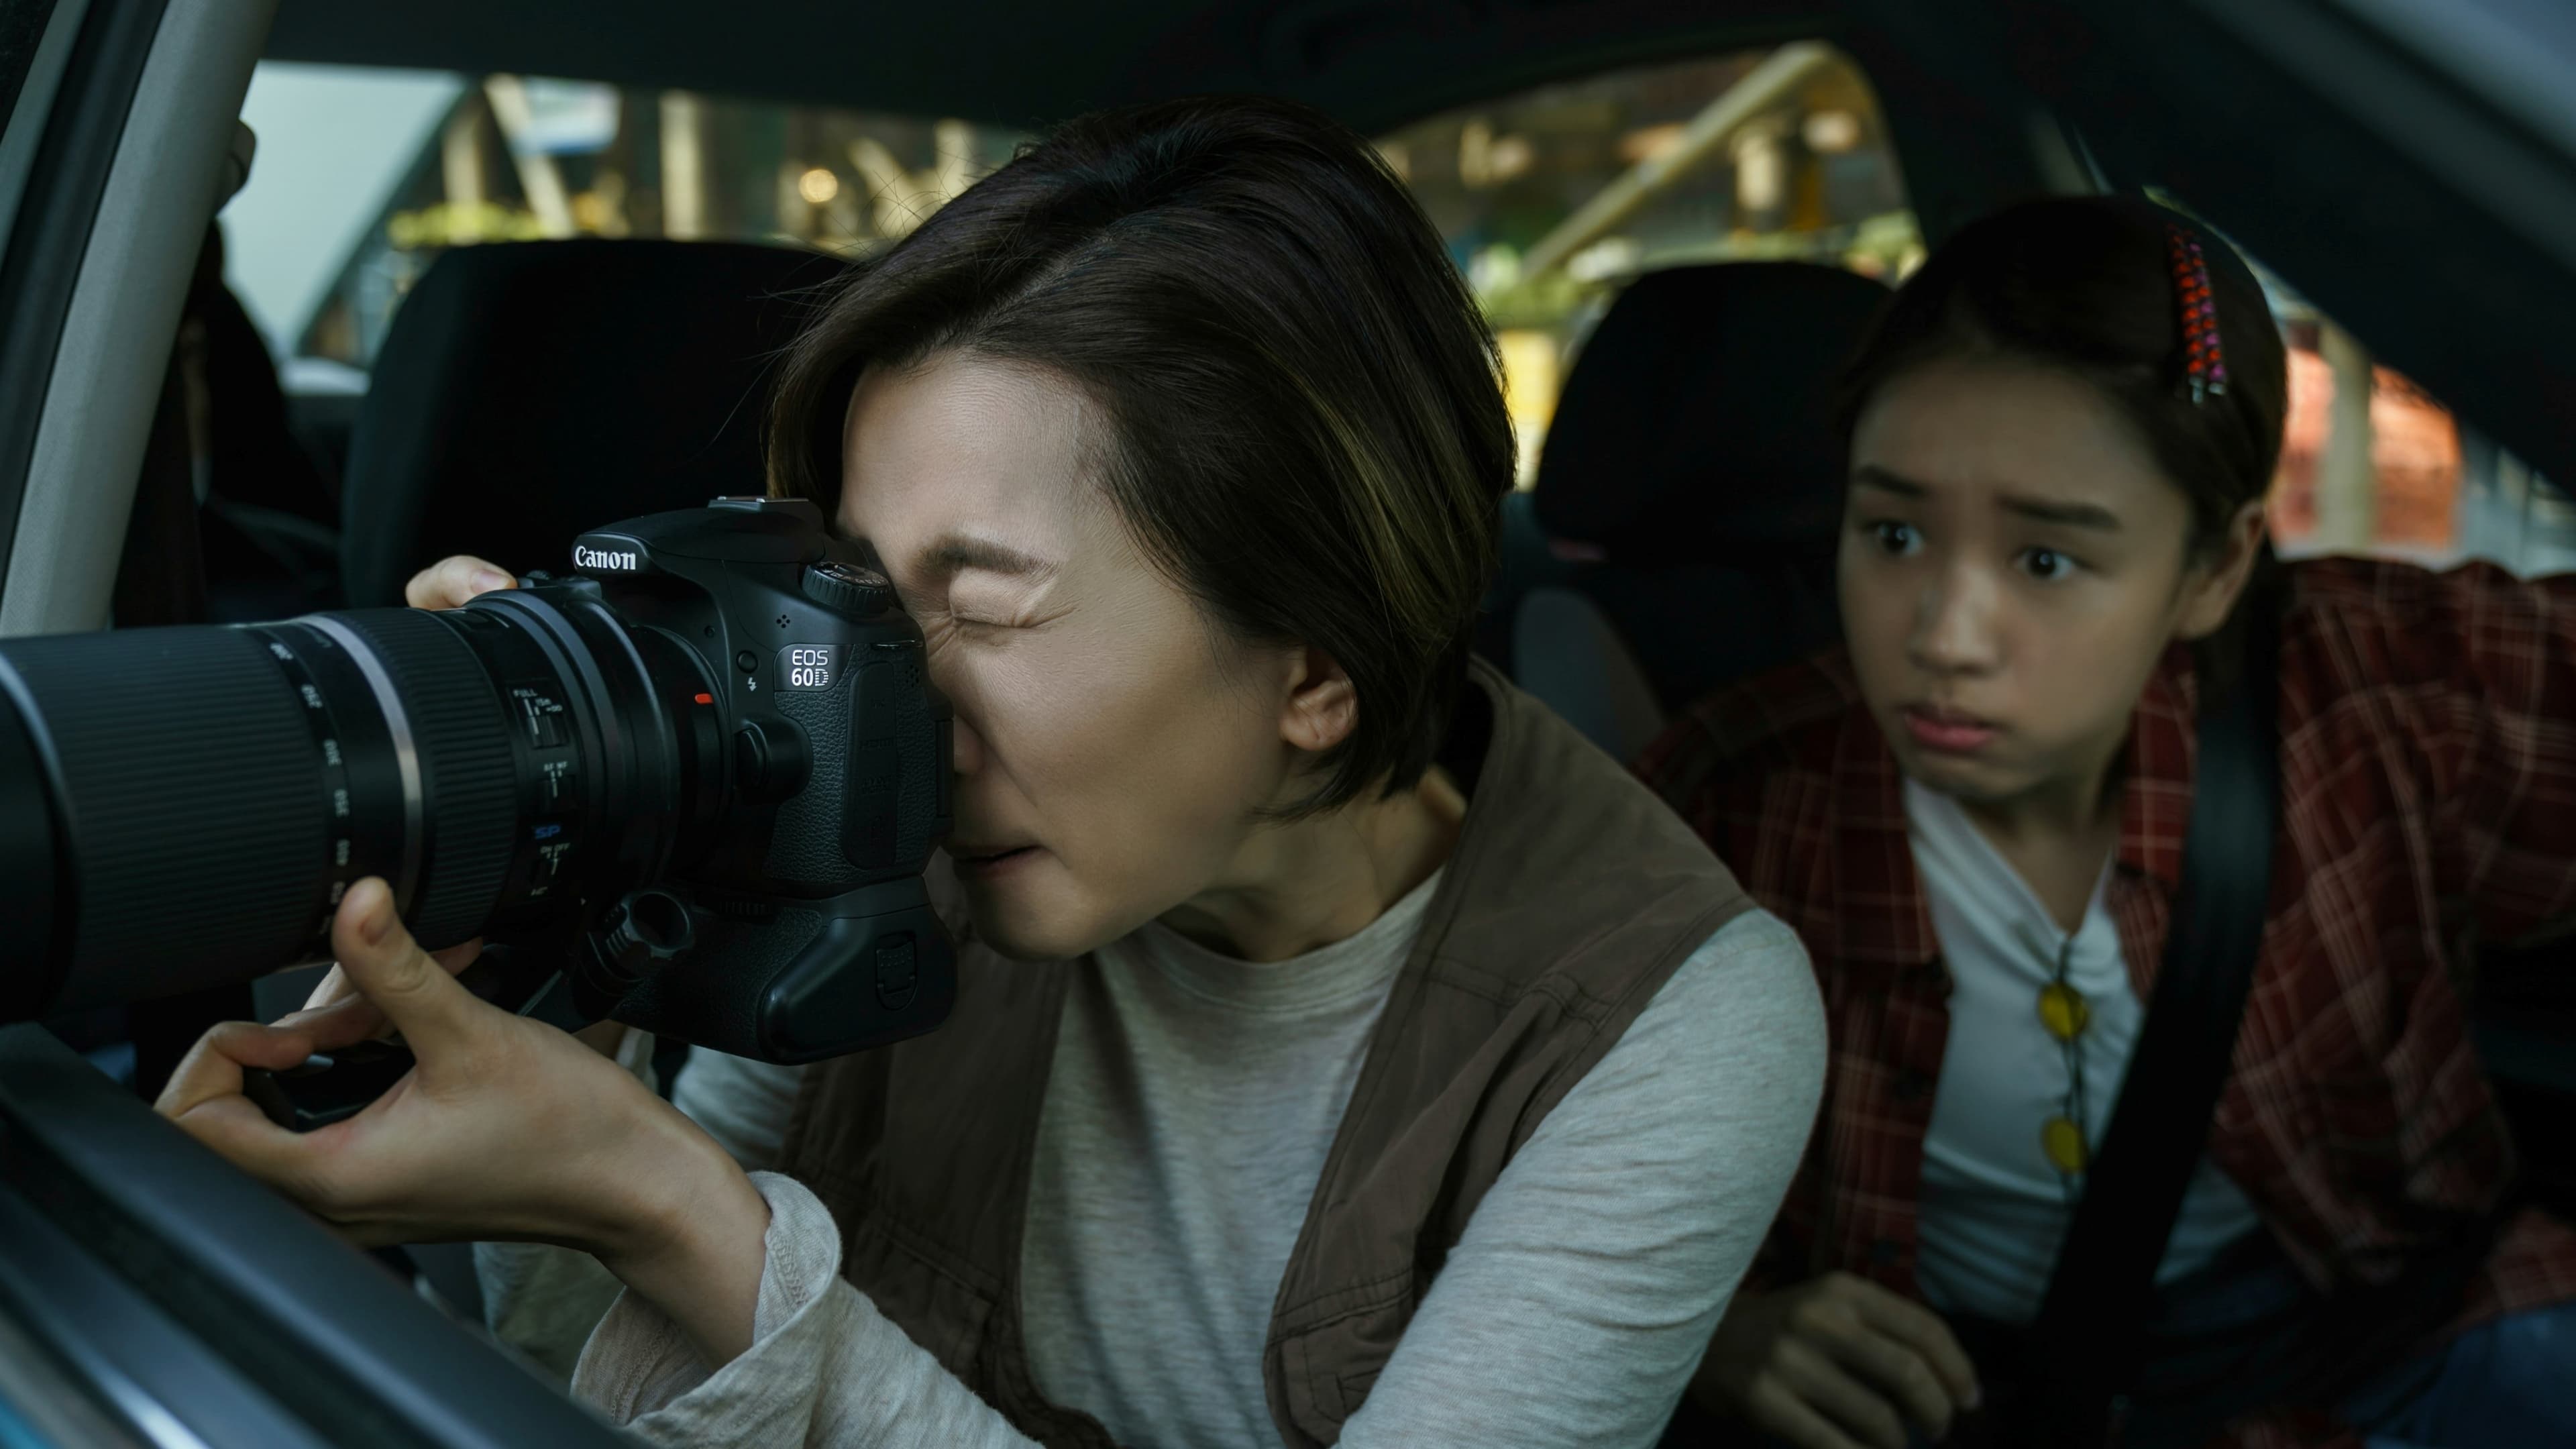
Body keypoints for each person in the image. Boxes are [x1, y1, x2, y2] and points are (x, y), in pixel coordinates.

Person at [155, 96, 1827, 1448]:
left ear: (1318, 665)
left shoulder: (1662, 1019)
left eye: (988, 605)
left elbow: (696, 1263)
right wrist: (556, 955)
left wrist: (674, 1212)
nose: (890, 693)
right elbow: (603, 1386)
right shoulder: (876, 823)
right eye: (865, 597)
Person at [1638, 194, 2576, 1449]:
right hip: (1992, 1405)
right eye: (1894, 533)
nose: (1944, 637)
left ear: (2215, 570)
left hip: (2406, 1340)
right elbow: (1469, 1160)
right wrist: (1712, 1329)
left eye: (2046, 561)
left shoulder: (2375, 688)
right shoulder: (1723, 811)